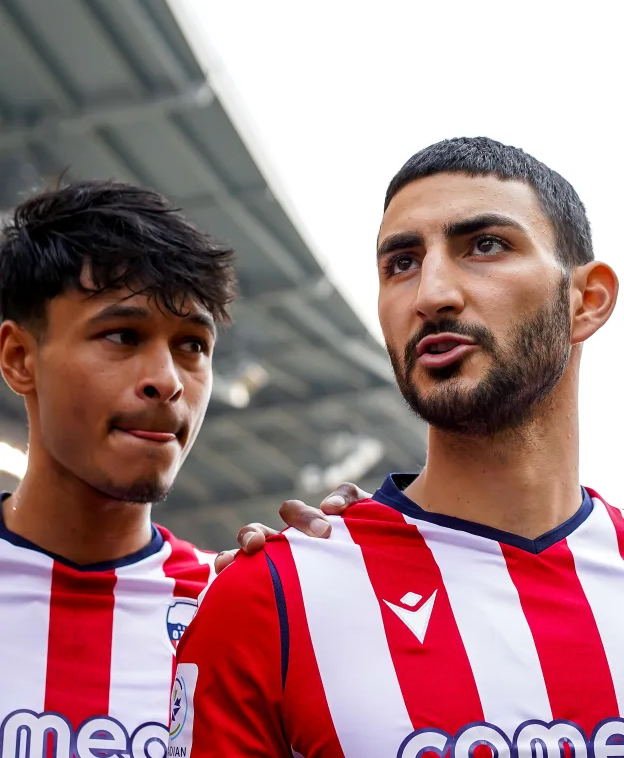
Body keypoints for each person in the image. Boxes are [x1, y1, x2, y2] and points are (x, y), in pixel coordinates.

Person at [175, 137, 623, 757]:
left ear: (587, 300)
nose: (431, 294)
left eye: (485, 246)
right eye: (402, 263)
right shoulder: (269, 601)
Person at [0, 179, 359, 755]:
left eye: (192, 345)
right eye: (123, 335)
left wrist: (365, 602)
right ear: (20, 358)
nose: (167, 381)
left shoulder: (236, 608)